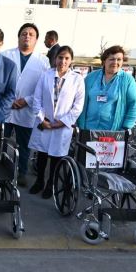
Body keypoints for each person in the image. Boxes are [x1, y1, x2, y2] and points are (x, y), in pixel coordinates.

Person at [28, 46, 85, 199]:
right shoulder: (45, 75)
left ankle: (50, 184)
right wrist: (42, 119)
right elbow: (37, 99)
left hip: (62, 126)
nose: (63, 61)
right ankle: (39, 181)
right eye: (60, 57)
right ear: (55, 59)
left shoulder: (77, 80)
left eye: (66, 58)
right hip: (44, 123)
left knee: (55, 157)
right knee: (42, 154)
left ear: (71, 60)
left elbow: (78, 106)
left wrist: (62, 122)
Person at [3, 23, 50, 186]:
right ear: (18, 37)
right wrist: (10, 100)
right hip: (6, 107)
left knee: (24, 145)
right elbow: (0, 80)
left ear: (36, 39)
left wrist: (27, 100)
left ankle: (21, 172)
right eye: (24, 33)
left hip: (28, 109)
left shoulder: (43, 61)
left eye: (31, 34)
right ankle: (1, 170)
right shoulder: (6, 55)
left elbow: (44, 87)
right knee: (2, 141)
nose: (27, 36)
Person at [77, 45, 136, 131]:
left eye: (119, 59)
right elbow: (79, 99)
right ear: (104, 61)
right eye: (112, 59)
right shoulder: (91, 77)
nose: (115, 62)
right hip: (87, 128)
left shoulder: (128, 80)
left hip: (112, 133)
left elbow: (134, 105)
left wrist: (126, 127)